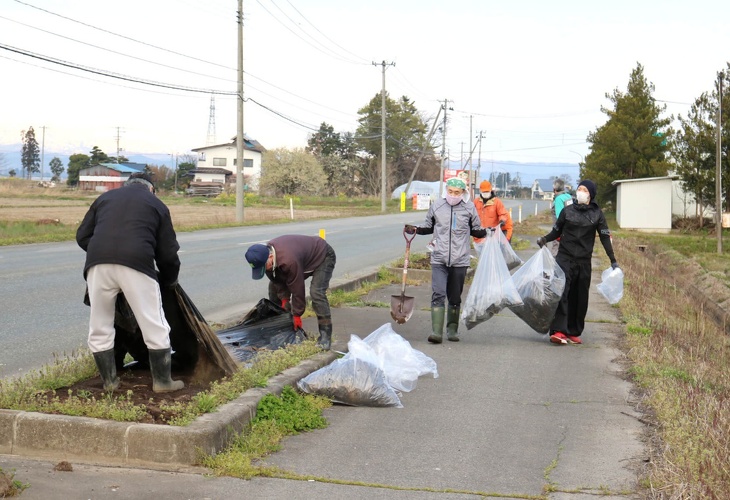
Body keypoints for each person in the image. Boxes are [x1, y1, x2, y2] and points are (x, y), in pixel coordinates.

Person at [76, 172, 184, 393]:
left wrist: (105, 252)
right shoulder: (157, 204)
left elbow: (82, 236)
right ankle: (163, 382)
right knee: (154, 323)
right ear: (151, 188)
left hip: (97, 265)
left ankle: (109, 382)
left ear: (127, 185)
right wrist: (170, 279)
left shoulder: (104, 199)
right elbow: (167, 252)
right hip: (136, 264)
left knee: (100, 324)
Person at [536, 179, 619, 346]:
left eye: (585, 190)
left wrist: (613, 260)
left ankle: (573, 331)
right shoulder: (567, 211)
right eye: (579, 189)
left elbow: (604, 237)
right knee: (562, 293)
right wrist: (545, 239)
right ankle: (559, 330)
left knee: (579, 297)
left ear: (591, 195)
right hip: (564, 258)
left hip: (583, 262)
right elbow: (556, 231)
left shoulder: (597, 214)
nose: (581, 192)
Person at [405, 178, 487, 343]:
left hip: (460, 260)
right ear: (446, 191)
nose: (453, 195)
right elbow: (428, 227)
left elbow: (476, 230)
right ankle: (436, 332)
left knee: (455, 297)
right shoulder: (437, 206)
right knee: (438, 294)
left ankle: (452, 330)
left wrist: (487, 232)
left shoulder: (469, 208)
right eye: (450, 191)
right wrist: (414, 229)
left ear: (463, 193)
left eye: (457, 193)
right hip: (439, 258)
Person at [245, 235, 336, 350]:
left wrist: (297, 314)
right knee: (273, 288)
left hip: (323, 256)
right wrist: (284, 299)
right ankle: (281, 326)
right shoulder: (265, 258)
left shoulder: (289, 260)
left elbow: (297, 288)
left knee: (316, 293)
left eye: (264, 267)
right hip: (300, 258)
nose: (264, 270)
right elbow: (277, 280)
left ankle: (325, 336)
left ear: (271, 257)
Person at [473, 180, 513, 245]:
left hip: (493, 236)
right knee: (482, 254)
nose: (485, 193)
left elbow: (502, 213)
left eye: (487, 191)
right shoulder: (476, 202)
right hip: (479, 237)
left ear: (490, 190)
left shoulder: (497, 202)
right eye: (484, 191)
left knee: (492, 254)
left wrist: (502, 220)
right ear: (480, 191)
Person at [550, 178, 573, 257]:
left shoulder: (559, 199)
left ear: (555, 189)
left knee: (556, 251)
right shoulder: (568, 196)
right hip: (570, 229)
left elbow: (560, 217)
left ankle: (555, 267)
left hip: (560, 230)